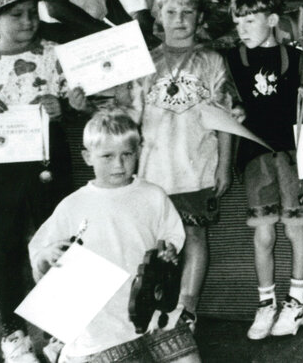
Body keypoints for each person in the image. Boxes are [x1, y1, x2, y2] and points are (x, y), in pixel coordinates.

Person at [28, 107, 197, 363]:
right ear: (87, 157)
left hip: (154, 311)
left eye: (127, 154)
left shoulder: (153, 195)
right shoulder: (72, 205)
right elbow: (39, 261)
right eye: (107, 156)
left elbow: (171, 237)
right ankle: (65, 349)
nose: (118, 164)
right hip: (101, 326)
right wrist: (46, 256)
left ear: (138, 152)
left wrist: (169, 251)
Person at [0, 0, 88, 363]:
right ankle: (14, 334)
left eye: (32, 12)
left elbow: (78, 105)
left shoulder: (53, 54)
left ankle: (60, 333)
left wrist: (67, 107)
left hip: (49, 161)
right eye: (16, 15)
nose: (28, 21)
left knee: (59, 241)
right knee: (4, 247)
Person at [122, 0, 238, 331]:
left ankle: (187, 309)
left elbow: (226, 118)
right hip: (153, 170)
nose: (180, 19)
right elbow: (130, 119)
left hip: (196, 167)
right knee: (156, 242)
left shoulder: (213, 61)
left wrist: (225, 164)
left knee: (195, 235)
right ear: (158, 15)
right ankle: (153, 306)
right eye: (171, 12)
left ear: (200, 17)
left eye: (188, 12)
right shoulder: (142, 63)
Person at [223, 0, 303, 340]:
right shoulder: (232, 60)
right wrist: (234, 109)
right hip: (255, 158)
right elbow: (228, 100)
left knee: (295, 229)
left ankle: (296, 303)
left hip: (291, 157)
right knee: (263, 234)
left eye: (250, 21)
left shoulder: (295, 58)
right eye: (238, 23)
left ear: (273, 20)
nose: (242, 29)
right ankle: (266, 303)